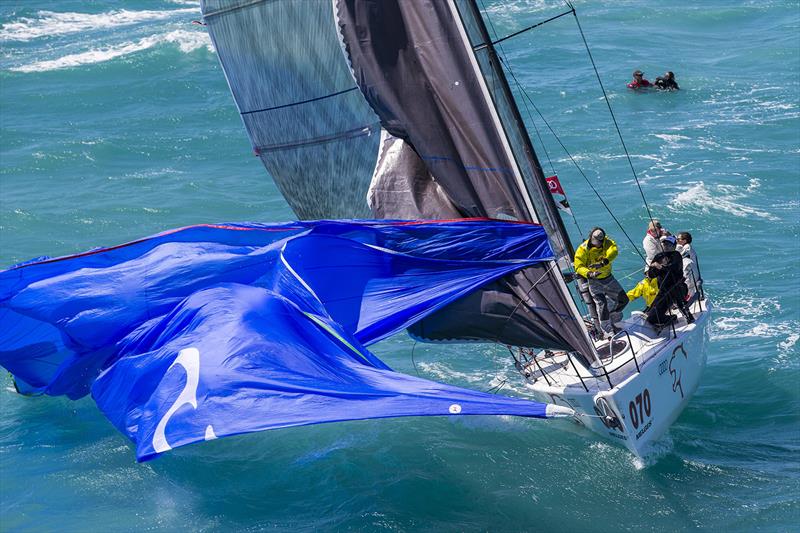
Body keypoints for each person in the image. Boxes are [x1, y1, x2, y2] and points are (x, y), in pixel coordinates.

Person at [574, 227, 629, 338]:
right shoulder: (583, 249)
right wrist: (590, 273)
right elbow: (578, 266)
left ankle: (611, 317)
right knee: (602, 304)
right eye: (597, 241)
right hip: (594, 282)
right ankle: (607, 330)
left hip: (608, 278)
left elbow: (613, 251)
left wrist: (603, 262)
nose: (599, 244)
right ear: (591, 238)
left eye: (601, 241)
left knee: (623, 299)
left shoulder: (606, 242)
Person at [646, 235, 694, 327]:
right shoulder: (658, 256)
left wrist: (660, 267)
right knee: (651, 315)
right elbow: (652, 275)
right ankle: (667, 319)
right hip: (663, 290)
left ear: (674, 246)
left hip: (677, 288)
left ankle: (688, 317)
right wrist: (652, 269)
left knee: (679, 300)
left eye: (669, 244)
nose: (666, 246)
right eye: (665, 244)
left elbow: (673, 268)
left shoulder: (676, 255)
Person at [677, 231, 702, 301]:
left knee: (686, 287)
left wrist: (676, 246)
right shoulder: (687, 247)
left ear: (684, 240)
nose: (677, 240)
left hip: (690, 274)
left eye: (678, 239)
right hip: (691, 273)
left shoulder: (687, 247)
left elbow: (680, 256)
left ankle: (685, 300)